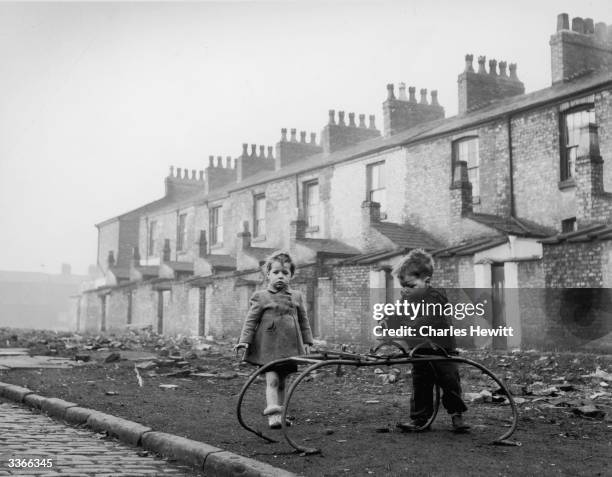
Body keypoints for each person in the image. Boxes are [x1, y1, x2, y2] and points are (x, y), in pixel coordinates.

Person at [392, 249, 470, 433]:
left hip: (442, 351)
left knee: (450, 383)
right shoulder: (407, 299)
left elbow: (426, 319)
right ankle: (420, 419)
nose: (405, 289)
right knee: (421, 385)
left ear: (426, 281)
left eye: (410, 285)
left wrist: (409, 327)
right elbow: (397, 317)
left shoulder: (436, 296)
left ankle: (456, 415)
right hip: (420, 351)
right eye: (403, 286)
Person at [235, 251, 314, 429]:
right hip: (268, 347)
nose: (280, 276)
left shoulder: (296, 296)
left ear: (291, 276)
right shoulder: (261, 296)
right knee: (272, 381)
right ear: (268, 274)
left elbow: (303, 320)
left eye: (285, 273)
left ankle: (281, 413)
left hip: (289, 347)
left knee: (283, 382)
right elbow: (251, 320)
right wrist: (244, 340)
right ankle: (273, 415)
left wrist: (307, 341)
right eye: (276, 272)